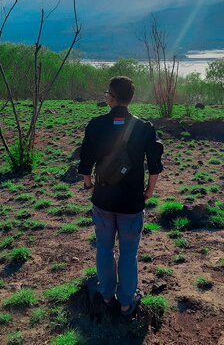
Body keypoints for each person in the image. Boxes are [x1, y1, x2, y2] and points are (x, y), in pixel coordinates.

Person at [78, 76, 164, 316]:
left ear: (111, 98)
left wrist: (89, 186)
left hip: (103, 200)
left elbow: (85, 162)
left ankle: (106, 296)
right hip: (132, 203)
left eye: (107, 92)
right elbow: (155, 165)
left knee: (104, 248)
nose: (105, 95)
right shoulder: (144, 127)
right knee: (128, 252)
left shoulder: (95, 124)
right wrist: (149, 191)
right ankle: (126, 302)